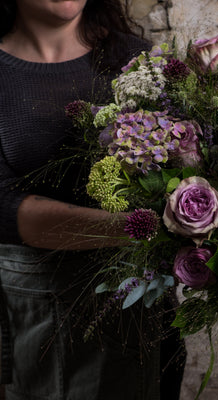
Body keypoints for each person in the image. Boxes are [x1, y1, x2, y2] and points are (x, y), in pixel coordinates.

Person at [0, 0, 185, 399]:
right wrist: (145, 228)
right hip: (39, 316)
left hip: (145, 311)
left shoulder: (134, 59)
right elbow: (4, 211)